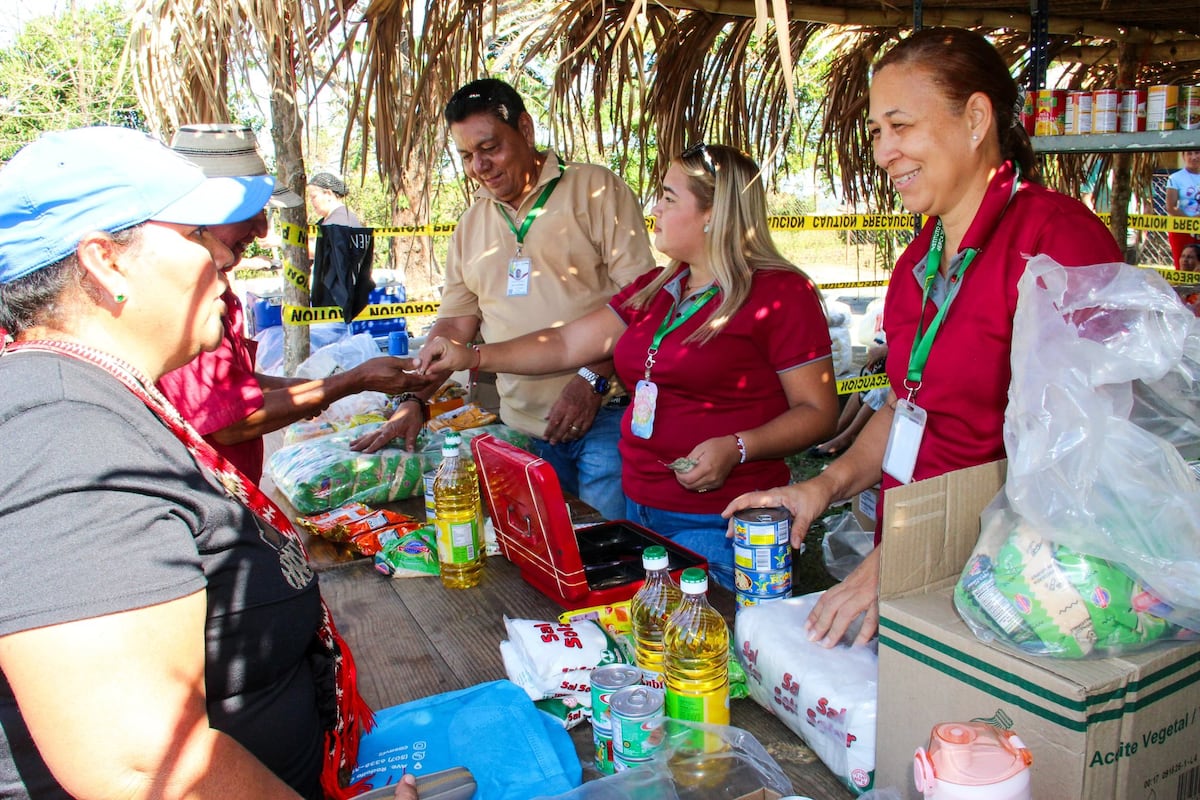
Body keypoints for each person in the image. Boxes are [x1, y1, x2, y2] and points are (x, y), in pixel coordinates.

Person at [0, 126, 417, 800]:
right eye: (199, 234)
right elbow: (141, 762)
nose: (224, 255)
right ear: (106, 261)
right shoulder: (60, 430)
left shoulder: (95, 397)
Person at [724, 27, 1125, 646]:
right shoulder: (919, 259)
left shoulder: (1058, 241)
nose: (884, 152)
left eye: (900, 126)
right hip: (914, 559)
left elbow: (1074, 457)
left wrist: (904, 561)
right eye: (876, 132)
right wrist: (821, 488)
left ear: (975, 119)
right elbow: (906, 405)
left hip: (1012, 582)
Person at [416, 144, 838, 590]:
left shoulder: (780, 293)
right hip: (640, 511)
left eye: (669, 198)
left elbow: (818, 412)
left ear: (713, 213)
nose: (655, 208)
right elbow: (564, 343)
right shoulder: (657, 287)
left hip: (724, 522)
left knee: (699, 631)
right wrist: (472, 356)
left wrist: (738, 446)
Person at [352, 78, 656, 521]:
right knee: (541, 551)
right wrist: (414, 400)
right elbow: (454, 327)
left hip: (605, 416)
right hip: (520, 430)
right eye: (466, 156)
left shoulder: (594, 189)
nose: (480, 166)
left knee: (607, 546)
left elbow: (642, 301)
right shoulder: (471, 225)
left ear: (525, 130)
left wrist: (592, 378)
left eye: (489, 148)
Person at [157, 124, 430, 483]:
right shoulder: (177, 293)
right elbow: (231, 423)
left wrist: (308, 389)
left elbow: (236, 383)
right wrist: (351, 381)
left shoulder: (216, 286)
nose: (261, 230)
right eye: (250, 211)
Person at [1166, 150, 1200, 269]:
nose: (1194, 157)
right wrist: (1190, 222)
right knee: (1183, 268)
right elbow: (1171, 207)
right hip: (1181, 229)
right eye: (1189, 153)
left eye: (1197, 153)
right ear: (1183, 156)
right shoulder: (1175, 178)